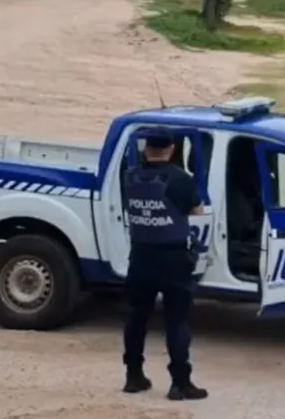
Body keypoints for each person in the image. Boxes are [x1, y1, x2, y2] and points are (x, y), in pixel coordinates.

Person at [121, 127, 208, 401]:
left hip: (140, 256)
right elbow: (197, 211)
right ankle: (180, 383)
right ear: (171, 150)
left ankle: (133, 376)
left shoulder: (130, 177)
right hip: (173, 259)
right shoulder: (181, 179)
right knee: (177, 321)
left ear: (146, 149)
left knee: (136, 318)